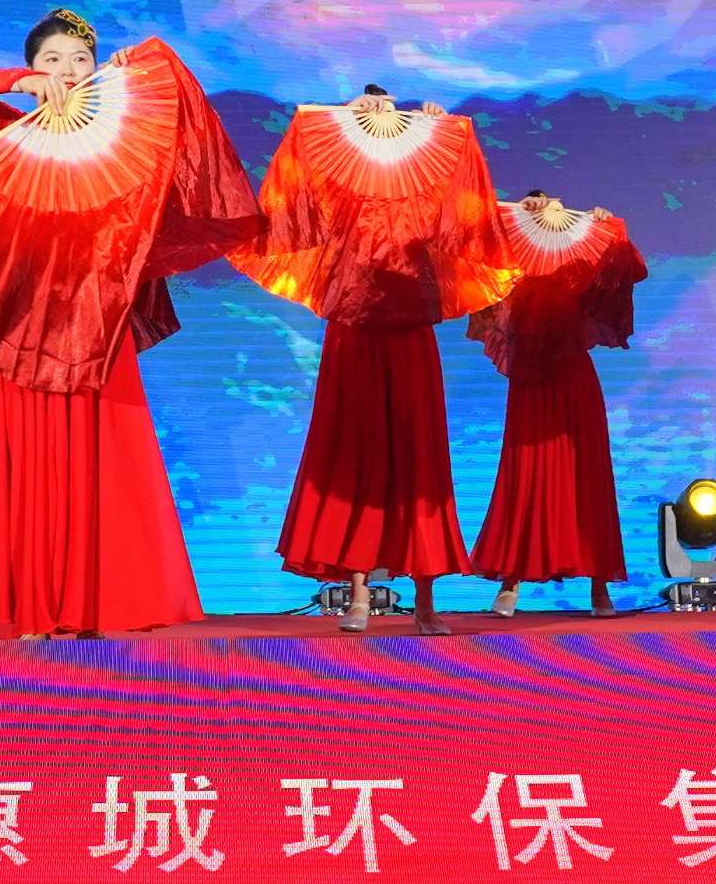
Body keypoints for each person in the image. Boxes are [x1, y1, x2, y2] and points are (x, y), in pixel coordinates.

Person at [0, 9, 256, 639]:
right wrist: (19, 81)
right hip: (14, 328)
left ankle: (94, 602)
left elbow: (181, 136)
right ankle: (29, 603)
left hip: (94, 328)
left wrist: (140, 87)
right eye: (52, 60)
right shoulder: (6, 132)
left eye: (80, 60)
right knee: (23, 465)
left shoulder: (126, 147)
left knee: (100, 463)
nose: (68, 71)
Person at [236, 85, 511, 635]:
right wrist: (330, 122)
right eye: (368, 106)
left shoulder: (431, 168)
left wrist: (444, 138)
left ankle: (426, 597)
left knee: (418, 458)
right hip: (353, 323)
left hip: (410, 326)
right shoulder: (333, 168)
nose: (380, 112)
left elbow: (465, 222)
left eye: (389, 105)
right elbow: (294, 204)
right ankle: (359, 593)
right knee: (354, 452)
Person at [464, 188, 646, 616]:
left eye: (552, 204)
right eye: (536, 204)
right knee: (525, 475)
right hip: (530, 382)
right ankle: (511, 580)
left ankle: (599, 584)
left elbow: (628, 272)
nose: (546, 208)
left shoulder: (580, 263)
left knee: (588, 477)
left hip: (575, 378)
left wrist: (610, 231)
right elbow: (477, 254)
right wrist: (511, 217)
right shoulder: (510, 265)